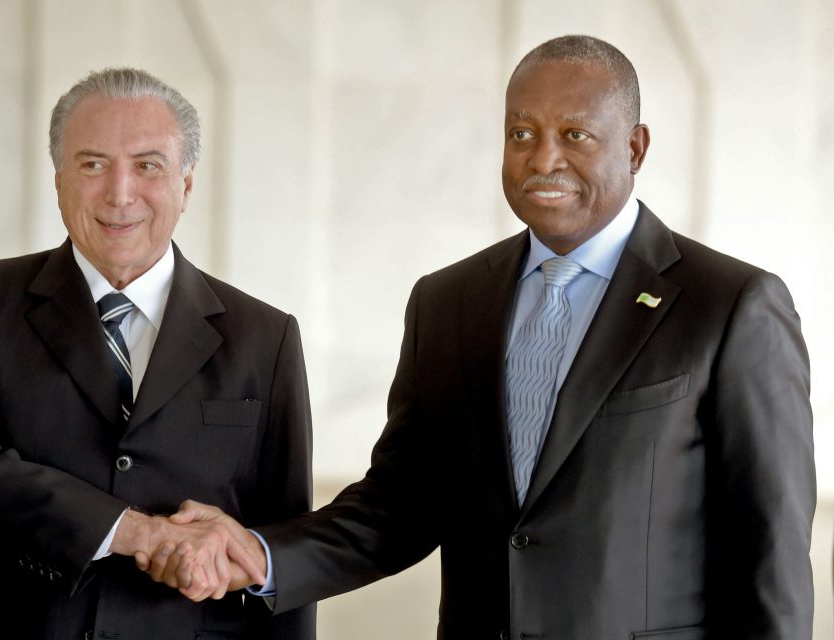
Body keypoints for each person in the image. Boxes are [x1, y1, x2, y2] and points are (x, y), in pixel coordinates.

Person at [143, 35, 817, 639]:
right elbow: (399, 506)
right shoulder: (449, 302)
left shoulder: (730, 306)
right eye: (521, 133)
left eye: (574, 134)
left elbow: (770, 552)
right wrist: (259, 556)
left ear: (635, 147)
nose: (542, 157)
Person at [0, 67, 315, 639]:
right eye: (92, 164)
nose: (120, 193)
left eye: (148, 165)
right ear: (57, 178)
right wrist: (139, 533)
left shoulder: (266, 337)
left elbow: (282, 551)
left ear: (186, 183)